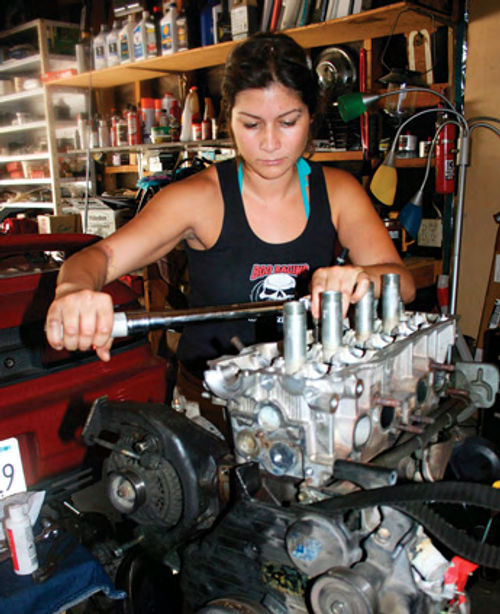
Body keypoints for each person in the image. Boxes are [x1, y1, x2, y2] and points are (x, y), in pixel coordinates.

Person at [45, 32, 415, 398]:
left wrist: (363, 278)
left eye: (288, 122)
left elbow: (404, 283)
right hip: (211, 406)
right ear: (229, 121)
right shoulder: (197, 199)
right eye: (251, 124)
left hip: (305, 399)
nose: (270, 143)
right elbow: (100, 257)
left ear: (311, 117)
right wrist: (74, 291)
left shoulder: (338, 192)